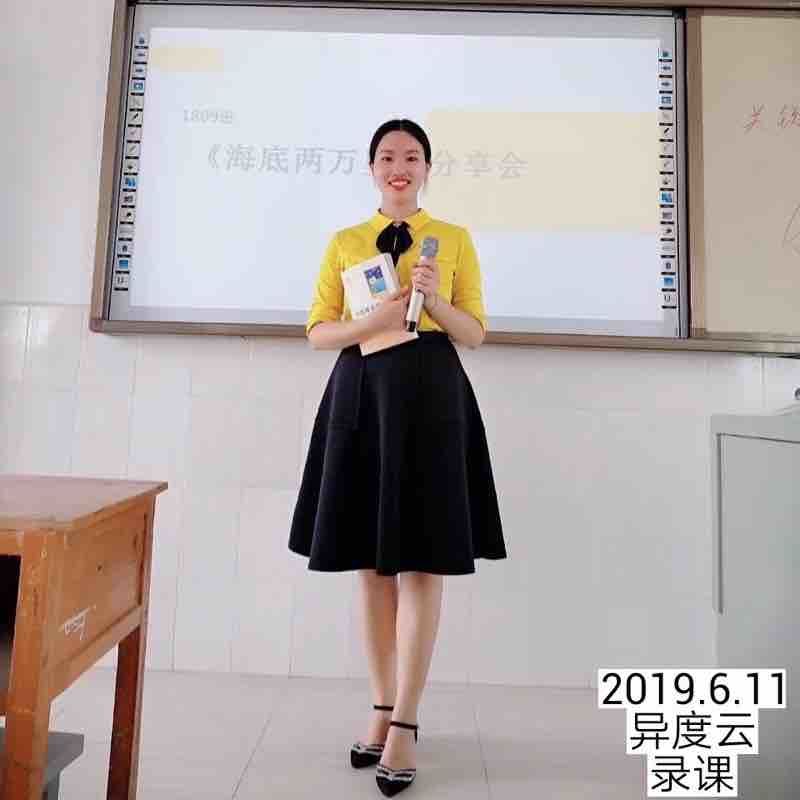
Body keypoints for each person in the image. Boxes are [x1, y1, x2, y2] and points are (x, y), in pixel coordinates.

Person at [288, 119, 507, 796]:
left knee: (423, 561)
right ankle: (381, 708)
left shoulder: (455, 240)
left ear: (427, 169)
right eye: (387, 156)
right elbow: (318, 332)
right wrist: (374, 322)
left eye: (412, 156)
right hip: (363, 396)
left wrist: (433, 299)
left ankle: (407, 719)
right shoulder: (344, 241)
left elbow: (475, 333)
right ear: (372, 168)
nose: (399, 166)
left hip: (433, 397)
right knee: (369, 562)